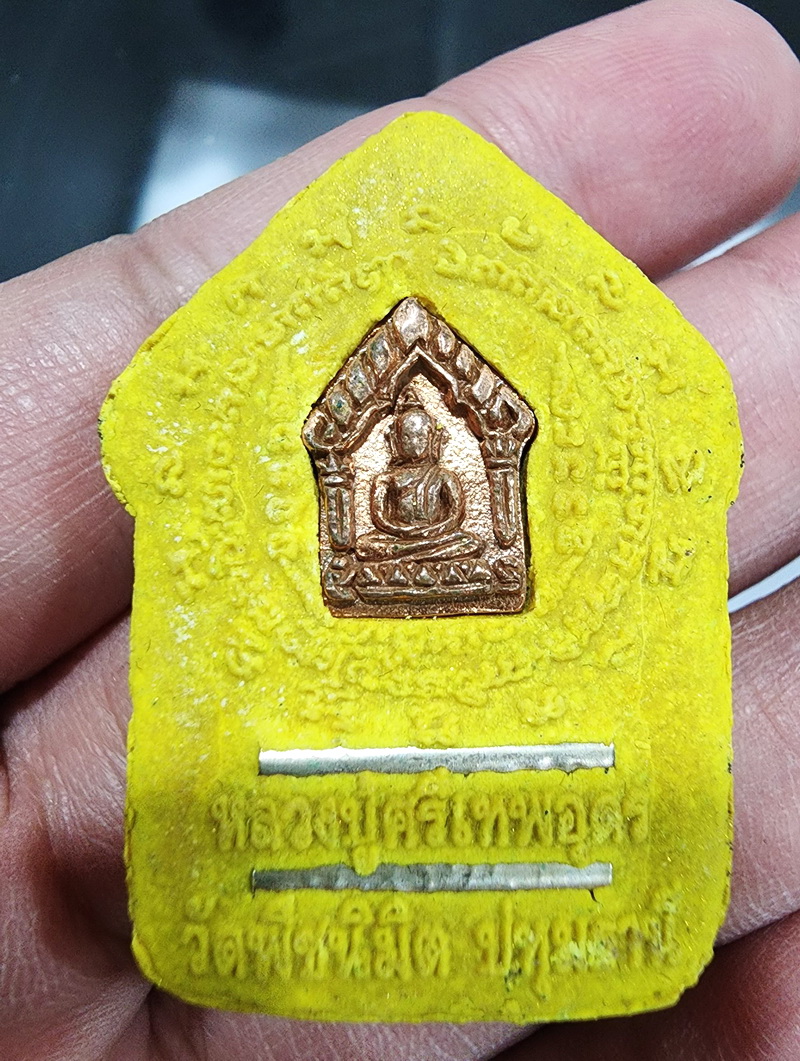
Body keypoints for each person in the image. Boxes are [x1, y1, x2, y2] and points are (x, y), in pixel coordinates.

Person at [1, 0, 800, 1057]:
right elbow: (357, 493)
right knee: (402, 512)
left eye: (426, 430)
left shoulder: (474, 444)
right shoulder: (362, 447)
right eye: (407, 430)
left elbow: (468, 485)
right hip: (380, 574)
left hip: (465, 572)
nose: (417, 437)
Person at [356, 387, 484, 561]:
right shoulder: (386, 479)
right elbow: (380, 518)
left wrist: (430, 531)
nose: (414, 443)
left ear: (433, 440)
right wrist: (403, 531)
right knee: (364, 545)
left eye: (420, 437)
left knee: (470, 542)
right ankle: (424, 558)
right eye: (407, 437)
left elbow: (455, 515)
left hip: (437, 536)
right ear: (395, 441)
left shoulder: (444, 476)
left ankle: (406, 560)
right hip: (398, 537)